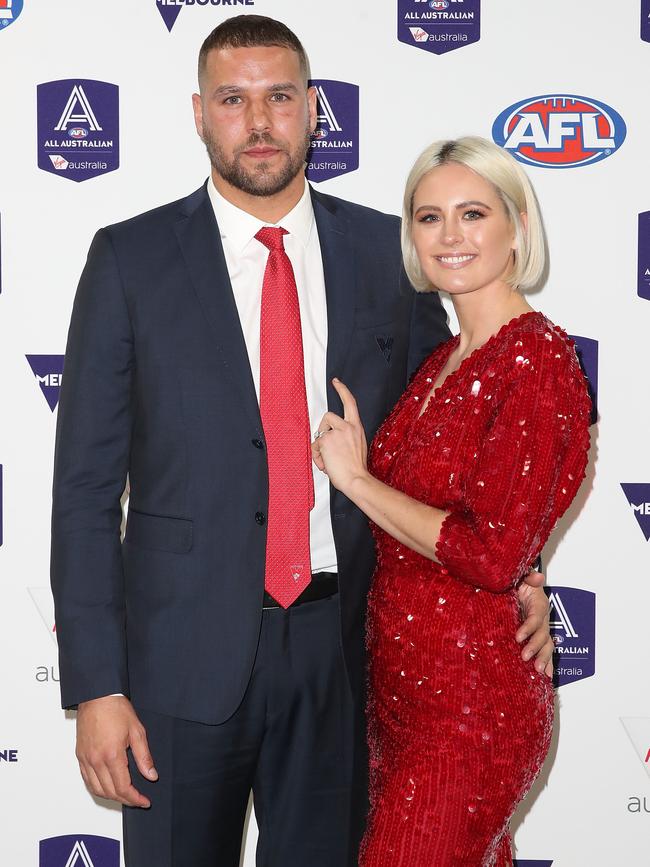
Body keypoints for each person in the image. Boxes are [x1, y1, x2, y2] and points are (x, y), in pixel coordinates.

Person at [50, 17, 555, 867]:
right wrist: (98, 685)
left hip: (345, 654)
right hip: (179, 663)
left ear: (313, 109)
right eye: (233, 100)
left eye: (280, 97)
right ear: (199, 114)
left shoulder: (387, 255)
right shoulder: (129, 260)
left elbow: (461, 432)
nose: (258, 121)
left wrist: (524, 568)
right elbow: (85, 493)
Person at [312, 136, 591, 866]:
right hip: (403, 702)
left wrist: (358, 479)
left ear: (517, 225)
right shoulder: (442, 357)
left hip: (470, 711)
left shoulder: (537, 359)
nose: (450, 235)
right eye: (428, 217)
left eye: (473, 213)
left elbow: (491, 550)